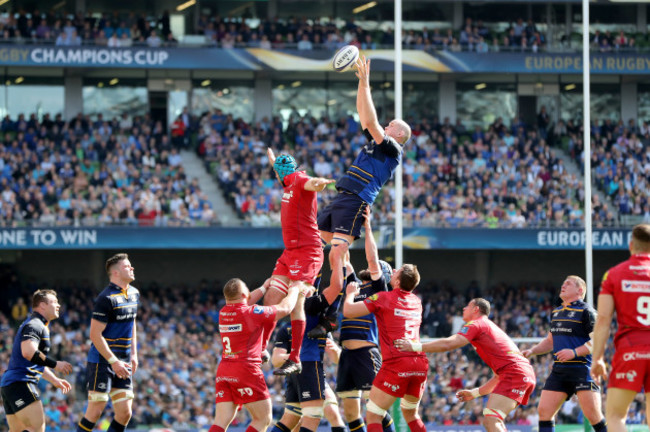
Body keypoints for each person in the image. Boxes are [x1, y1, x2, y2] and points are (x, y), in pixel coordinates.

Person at [314, 55, 411, 335]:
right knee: (329, 252)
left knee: (338, 252)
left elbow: (369, 120)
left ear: (397, 134)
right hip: (343, 196)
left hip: (357, 199)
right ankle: (349, 285)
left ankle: (330, 314)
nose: (386, 125)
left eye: (390, 124)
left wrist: (366, 83)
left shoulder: (393, 149)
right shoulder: (378, 144)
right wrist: (361, 85)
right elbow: (364, 116)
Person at [395, 298, 536, 432]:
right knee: (492, 419)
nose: (463, 308)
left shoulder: (477, 324)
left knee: (492, 419)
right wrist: (474, 393)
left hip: (516, 373)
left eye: (467, 306)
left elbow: (448, 344)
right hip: (522, 373)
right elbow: (498, 378)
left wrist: (415, 346)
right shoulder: (488, 327)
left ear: (476, 309)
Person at [260, 148, 335, 376]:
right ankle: (261, 348)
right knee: (271, 299)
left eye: (277, 173)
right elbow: (279, 168)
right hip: (290, 251)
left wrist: (321, 183)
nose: (276, 177)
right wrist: (273, 160)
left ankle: (295, 358)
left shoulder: (299, 179)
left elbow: (311, 183)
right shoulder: (287, 180)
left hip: (308, 252)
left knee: (296, 301)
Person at [209, 277, 303, 432]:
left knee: (220, 421)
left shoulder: (223, 312)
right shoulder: (252, 313)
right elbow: (284, 309)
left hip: (224, 371)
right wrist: (294, 289)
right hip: (245, 370)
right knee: (263, 419)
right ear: (245, 294)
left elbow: (242, 299)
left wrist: (264, 287)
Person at [343, 262, 427, 432]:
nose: (394, 270)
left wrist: (350, 294)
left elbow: (348, 311)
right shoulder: (417, 302)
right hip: (419, 365)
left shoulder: (384, 298)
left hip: (397, 363)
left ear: (397, 282)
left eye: (397, 271)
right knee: (411, 415)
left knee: (374, 414)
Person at [336, 207, 395, 432]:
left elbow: (372, 257)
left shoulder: (378, 288)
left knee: (376, 408)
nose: (371, 267)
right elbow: (344, 258)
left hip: (365, 353)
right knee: (351, 412)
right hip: (347, 355)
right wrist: (342, 232)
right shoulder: (356, 285)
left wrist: (368, 226)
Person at [522, 276, 606, 432]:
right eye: (563, 283)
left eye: (568, 283)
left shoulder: (587, 312)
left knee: (594, 416)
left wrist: (574, 352)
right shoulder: (557, 312)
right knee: (544, 412)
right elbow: (550, 341)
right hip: (559, 371)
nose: (563, 285)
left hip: (582, 370)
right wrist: (533, 351)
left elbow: (598, 341)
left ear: (580, 290)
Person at [592, 224, 650, 432]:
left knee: (615, 416)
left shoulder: (614, 274)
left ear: (631, 245)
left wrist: (598, 357)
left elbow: (604, 319)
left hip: (630, 349)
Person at [76, 253, 140, 432]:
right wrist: (114, 361)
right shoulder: (106, 298)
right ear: (116, 273)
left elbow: (132, 322)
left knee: (125, 413)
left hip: (124, 359)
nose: (132, 268)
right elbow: (95, 335)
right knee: (95, 411)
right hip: (102, 361)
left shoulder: (134, 293)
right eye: (128, 266)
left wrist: (134, 354)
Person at [0, 290, 73, 432]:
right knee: (36, 429)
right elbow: (28, 352)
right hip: (21, 383)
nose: (58, 305)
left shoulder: (39, 325)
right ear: (42, 306)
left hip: (11, 385)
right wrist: (56, 364)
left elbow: (35, 361)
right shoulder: (35, 325)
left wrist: (54, 380)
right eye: (54, 302)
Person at [270, 323, 346, 432]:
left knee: (332, 413)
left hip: (316, 376)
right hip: (297, 377)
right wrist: (297, 355)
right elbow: (276, 360)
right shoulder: (286, 328)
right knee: (303, 419)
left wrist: (335, 350)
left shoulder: (321, 326)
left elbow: (336, 359)